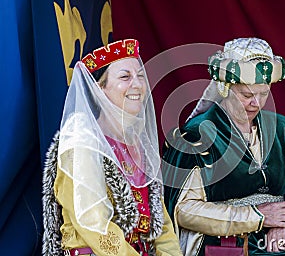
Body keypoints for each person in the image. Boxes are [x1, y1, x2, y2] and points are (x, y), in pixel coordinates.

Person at [162, 38, 285, 255]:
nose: (256, 103)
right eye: (247, 95)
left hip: (283, 236)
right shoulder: (197, 136)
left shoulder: (284, 131)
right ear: (225, 88)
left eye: (264, 94)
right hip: (224, 242)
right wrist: (258, 216)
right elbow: (184, 209)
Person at [42, 39, 183, 256]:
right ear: (99, 89)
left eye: (141, 76)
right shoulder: (82, 143)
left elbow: (162, 224)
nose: (136, 84)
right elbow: (95, 225)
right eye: (125, 77)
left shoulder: (137, 144)